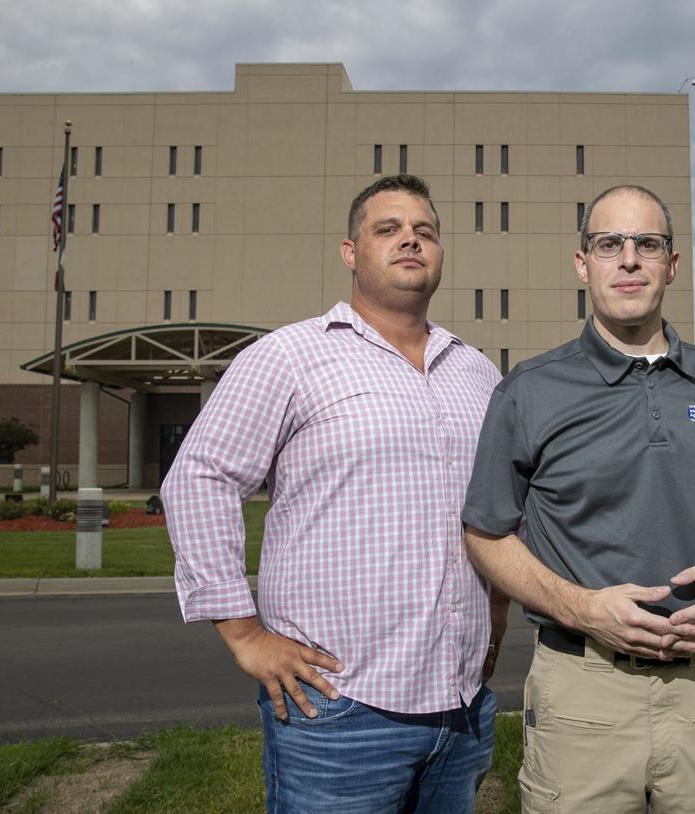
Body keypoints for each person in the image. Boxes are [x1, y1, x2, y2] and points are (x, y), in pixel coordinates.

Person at [162, 174, 505, 813]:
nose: (410, 240)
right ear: (351, 252)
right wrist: (244, 633)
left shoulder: (478, 371)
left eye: (425, 231)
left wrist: (499, 615)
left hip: (461, 709)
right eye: (388, 229)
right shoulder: (289, 356)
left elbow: (498, 504)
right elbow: (200, 477)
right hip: (340, 709)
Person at [463, 185, 695, 813]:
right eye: (609, 244)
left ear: (672, 263)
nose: (629, 259)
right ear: (583, 263)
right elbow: (485, 533)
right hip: (583, 694)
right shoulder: (529, 390)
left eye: (647, 244)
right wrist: (582, 609)